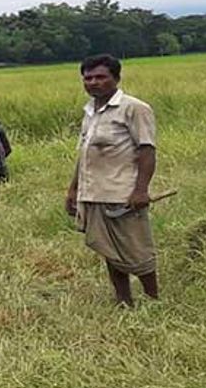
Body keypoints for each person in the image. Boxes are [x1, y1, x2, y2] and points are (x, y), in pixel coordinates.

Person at [65, 54, 159, 307]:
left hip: (123, 194)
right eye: (88, 78)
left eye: (100, 77)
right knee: (109, 250)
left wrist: (141, 190)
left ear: (116, 78)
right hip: (94, 192)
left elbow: (147, 151)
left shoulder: (134, 108)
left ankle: (153, 300)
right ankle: (123, 300)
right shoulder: (90, 112)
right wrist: (73, 189)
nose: (94, 82)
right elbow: (84, 154)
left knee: (137, 250)